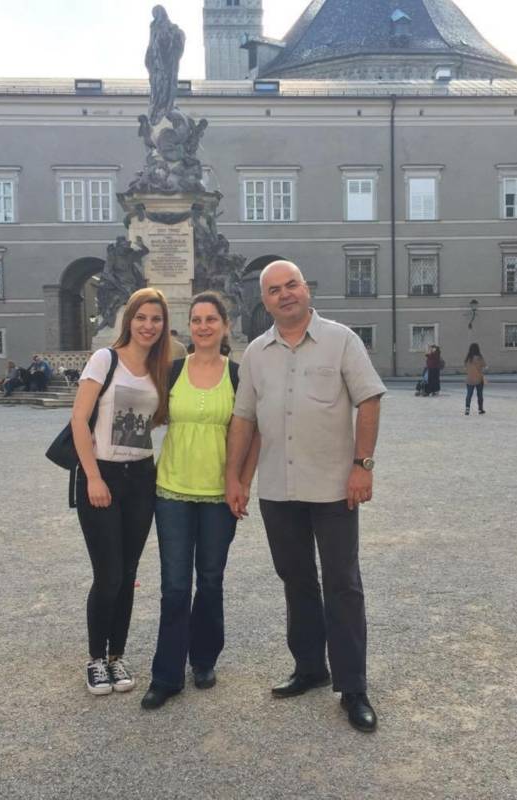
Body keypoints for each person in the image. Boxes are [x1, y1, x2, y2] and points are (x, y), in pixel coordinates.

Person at [225, 260, 386, 733]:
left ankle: (352, 686)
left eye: (291, 284)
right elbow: (244, 419)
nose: (285, 294)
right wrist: (235, 478)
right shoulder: (256, 353)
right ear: (265, 300)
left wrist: (362, 465)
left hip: (334, 486)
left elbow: (369, 399)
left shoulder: (341, 340)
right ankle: (311, 667)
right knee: (295, 580)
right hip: (279, 487)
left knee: (342, 583)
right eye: (274, 290)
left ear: (306, 288)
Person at [141, 292, 260, 710]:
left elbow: (255, 433)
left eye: (211, 319)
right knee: (174, 586)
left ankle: (204, 659)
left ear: (225, 326)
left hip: (218, 495)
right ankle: (166, 674)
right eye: (196, 320)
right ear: (189, 327)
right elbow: (138, 411)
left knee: (210, 580)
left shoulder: (238, 375)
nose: (204, 326)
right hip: (172, 490)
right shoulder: (171, 372)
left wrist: (243, 482)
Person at [70, 287, 171, 696]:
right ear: (128, 320)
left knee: (128, 574)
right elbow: (79, 420)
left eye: (156, 319)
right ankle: (96, 659)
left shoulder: (160, 368)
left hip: (142, 477)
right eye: (141, 317)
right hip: (103, 475)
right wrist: (93, 477)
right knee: (108, 573)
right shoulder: (105, 359)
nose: (148, 325)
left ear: (164, 325)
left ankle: (117, 656)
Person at [464, 343, 487, 415]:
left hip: (469, 379)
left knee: (469, 394)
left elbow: (465, 368)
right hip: (479, 379)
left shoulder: (468, 358)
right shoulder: (479, 358)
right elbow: (485, 366)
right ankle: (480, 409)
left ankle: (467, 409)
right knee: (479, 394)